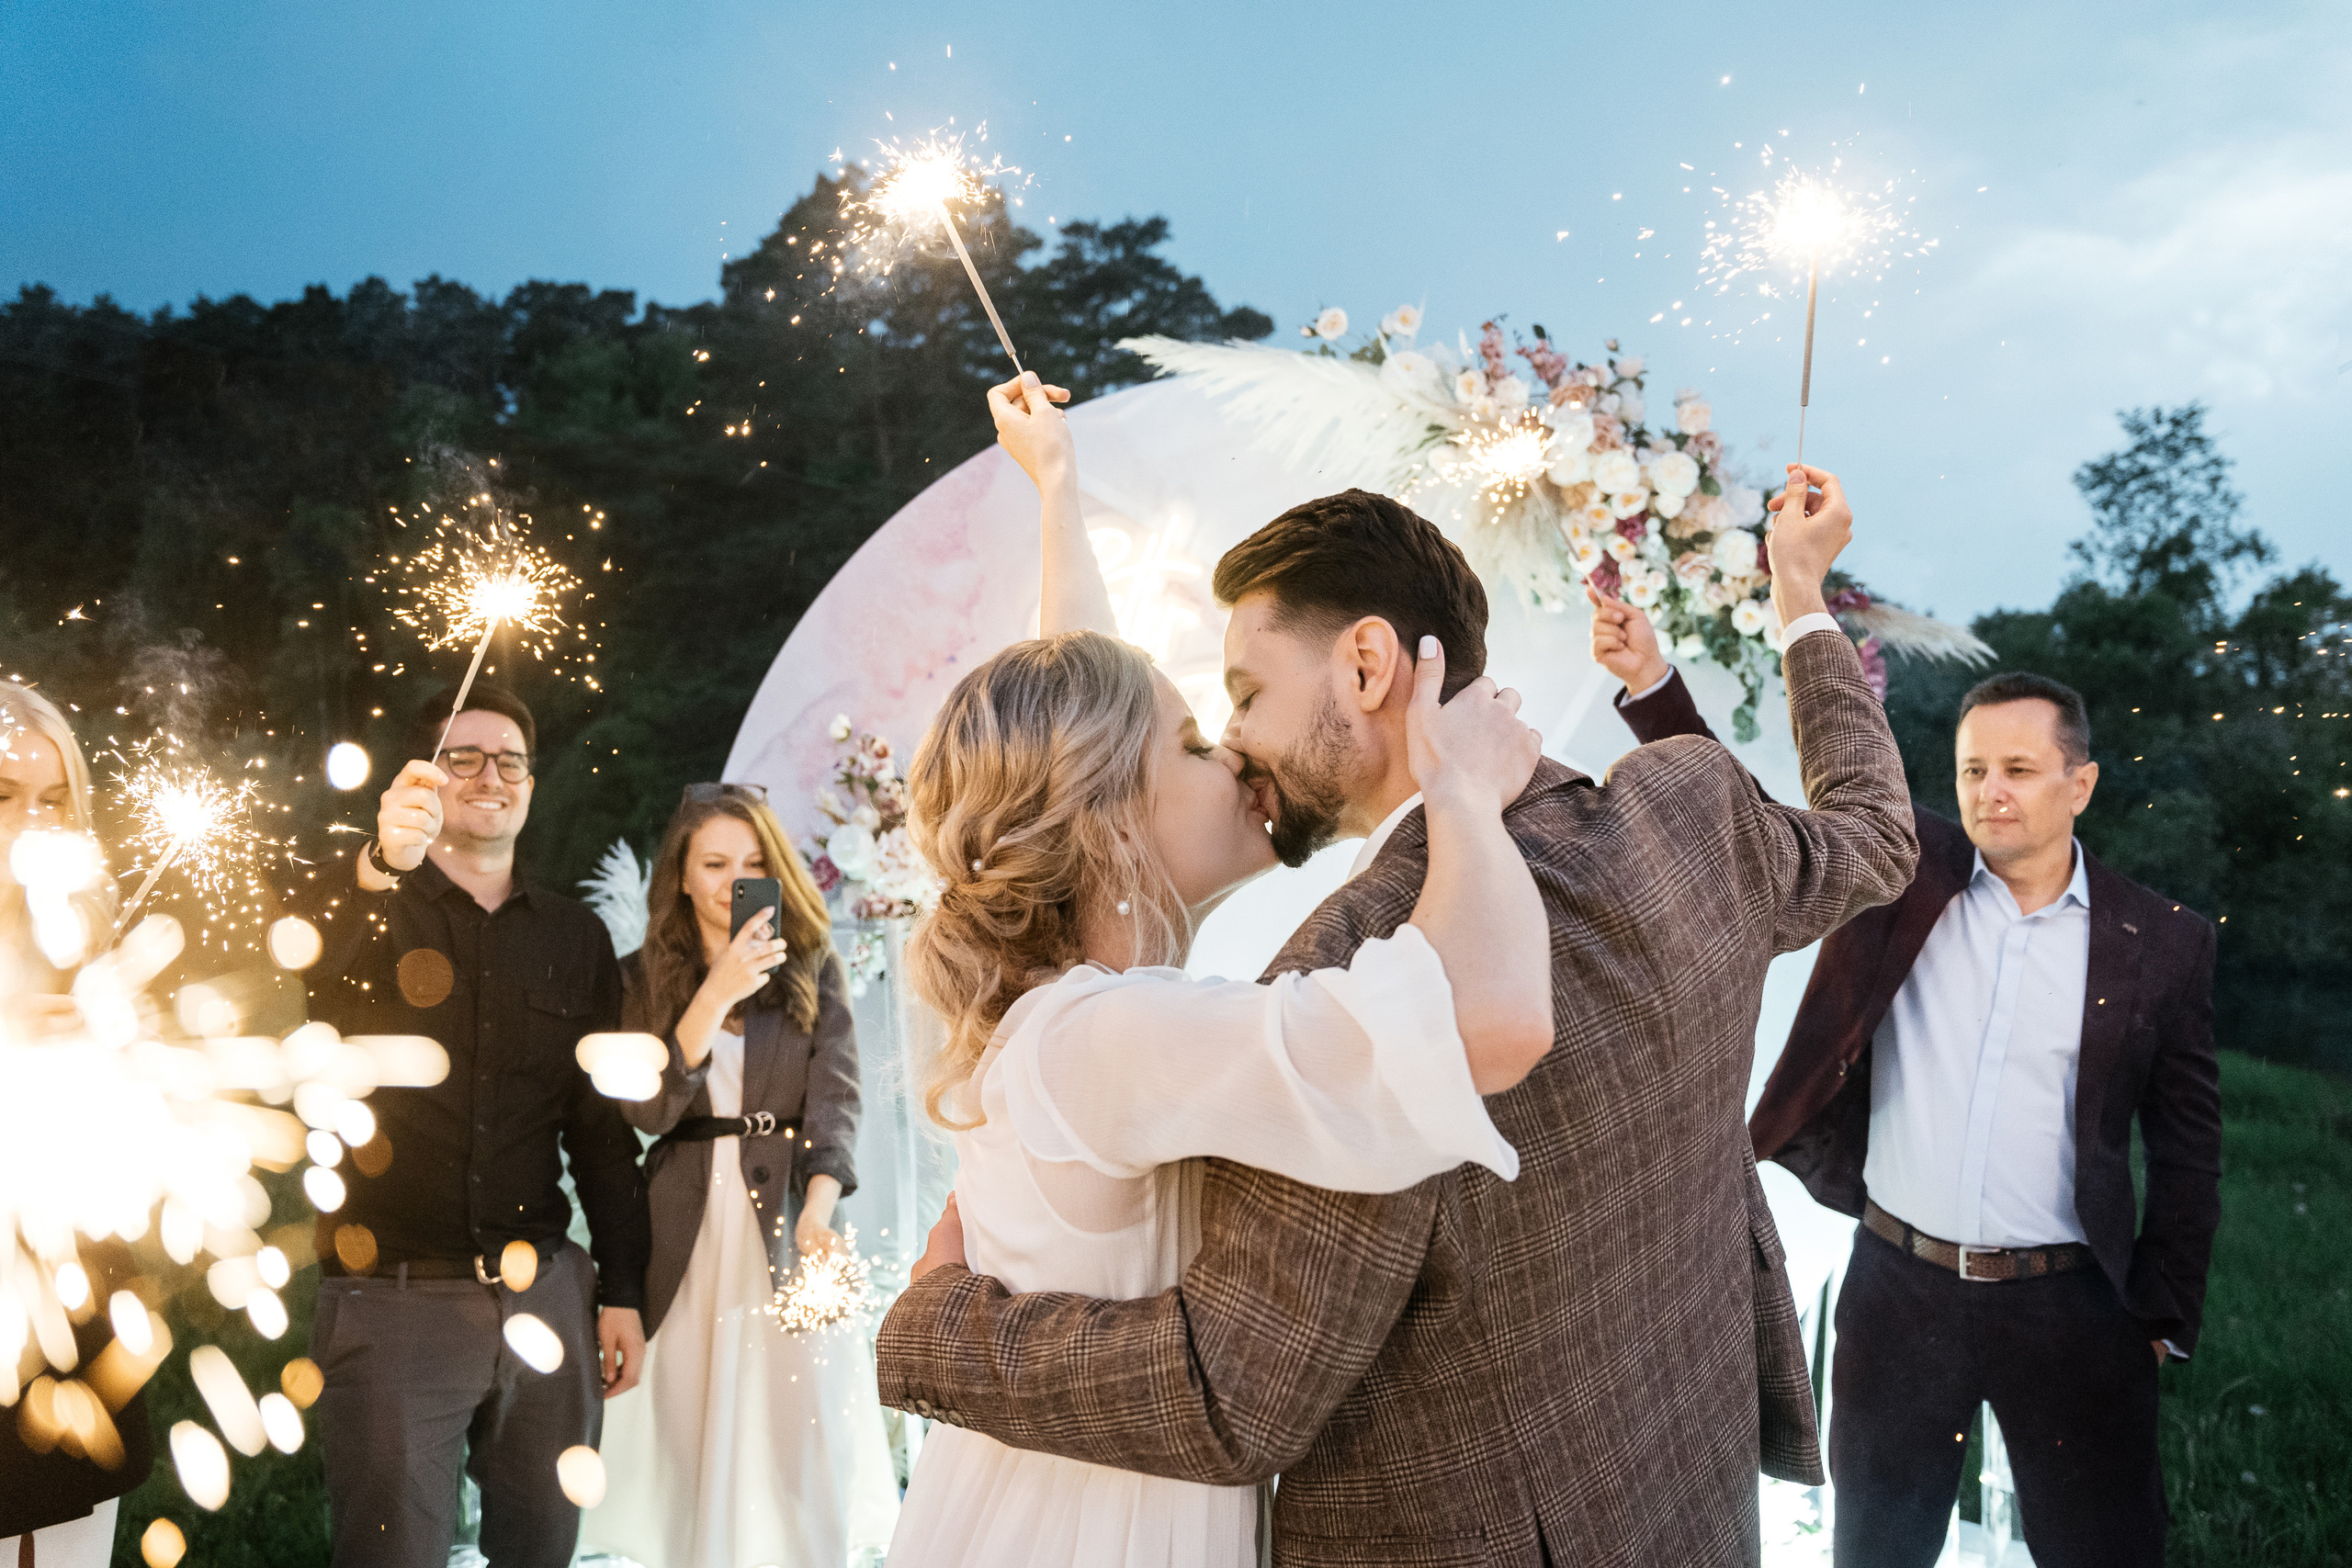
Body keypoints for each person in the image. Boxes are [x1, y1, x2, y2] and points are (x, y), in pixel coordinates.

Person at [876, 374, 1917, 1563]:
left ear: (1368, 666)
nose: (1238, 746)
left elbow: (1234, 1389)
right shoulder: (1693, 809)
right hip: (1693, 1490)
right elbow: (1880, 832)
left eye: (1246, 694)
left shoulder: (1352, 968)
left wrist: (933, 1333)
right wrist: (1799, 595)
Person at [878, 374, 1555, 1568]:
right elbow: (1487, 1021)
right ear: (1108, 820)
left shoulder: (1066, 1016)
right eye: (1197, 738)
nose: (1235, 747)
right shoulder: (1106, 1033)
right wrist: (1465, 788)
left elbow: (1081, 709)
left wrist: (1060, 493)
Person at [1590, 594, 2221, 1567]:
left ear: (2080, 784)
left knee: (2104, 1548)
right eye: (1973, 768)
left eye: (2017, 769)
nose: (1989, 791)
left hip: (2073, 1308)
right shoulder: (1905, 873)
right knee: (1876, 1549)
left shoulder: (2161, 942)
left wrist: (2162, 1320)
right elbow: (1751, 827)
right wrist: (1649, 684)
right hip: (1898, 1292)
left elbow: (2189, 1151)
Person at [300, 680, 651, 1568]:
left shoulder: (574, 940)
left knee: (541, 1552)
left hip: (547, 1299)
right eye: (464, 756)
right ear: (424, 776)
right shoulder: (372, 907)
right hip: (393, 1301)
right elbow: (315, 964)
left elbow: (601, 1132)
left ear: (531, 783)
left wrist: (622, 1292)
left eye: (511, 760)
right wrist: (380, 858)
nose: (489, 775)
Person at [581, 782, 899, 1566]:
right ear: (682, 875)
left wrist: (820, 1213)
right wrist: (716, 990)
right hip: (685, 1234)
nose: (733, 878)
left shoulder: (810, 965)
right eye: (715, 862)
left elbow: (837, 1105)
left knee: (802, 1438)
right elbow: (648, 1109)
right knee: (694, 1437)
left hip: (792, 1223)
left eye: (753, 861)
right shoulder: (638, 977)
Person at [0, 682, 155, 1568]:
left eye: (53, 800)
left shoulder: (89, 959)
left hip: (69, 1364)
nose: (30, 824)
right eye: (3, 796)